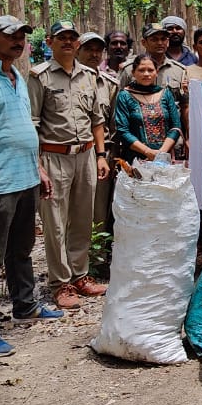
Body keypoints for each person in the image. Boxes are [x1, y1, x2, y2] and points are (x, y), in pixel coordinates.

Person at [0, 15, 65, 359]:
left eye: (22, 36)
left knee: (21, 249)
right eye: (10, 36)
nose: (18, 41)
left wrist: (39, 169)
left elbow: (23, 128)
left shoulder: (17, 76)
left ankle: (25, 305)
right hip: (0, 181)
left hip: (26, 178)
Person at [27, 21, 110, 310]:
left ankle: (80, 275)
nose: (67, 42)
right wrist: (38, 165)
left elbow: (97, 121)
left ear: (78, 43)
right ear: (50, 41)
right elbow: (32, 125)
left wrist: (101, 155)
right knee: (55, 223)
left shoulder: (89, 76)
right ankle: (60, 282)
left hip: (85, 155)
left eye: (72, 38)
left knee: (82, 218)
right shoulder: (39, 77)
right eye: (61, 37)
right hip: (53, 156)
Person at [77, 32, 121, 253]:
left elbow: (113, 125)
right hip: (73, 153)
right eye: (88, 50)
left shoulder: (110, 84)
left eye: (98, 51)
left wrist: (111, 157)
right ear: (78, 50)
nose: (94, 55)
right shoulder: (68, 81)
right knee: (74, 209)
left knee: (100, 209)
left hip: (102, 155)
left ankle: (96, 257)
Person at [119, 23, 188, 155]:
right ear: (144, 42)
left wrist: (188, 138)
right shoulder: (128, 70)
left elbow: (184, 107)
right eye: (154, 39)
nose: (160, 43)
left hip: (172, 146)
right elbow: (119, 111)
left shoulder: (179, 71)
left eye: (163, 39)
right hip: (136, 147)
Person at [114, 54, 184, 164]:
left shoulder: (165, 94)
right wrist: (147, 151)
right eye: (141, 70)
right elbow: (122, 130)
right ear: (133, 73)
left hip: (164, 159)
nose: (146, 74)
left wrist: (161, 153)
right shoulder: (125, 96)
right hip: (135, 160)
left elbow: (176, 127)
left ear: (156, 72)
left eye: (150, 70)